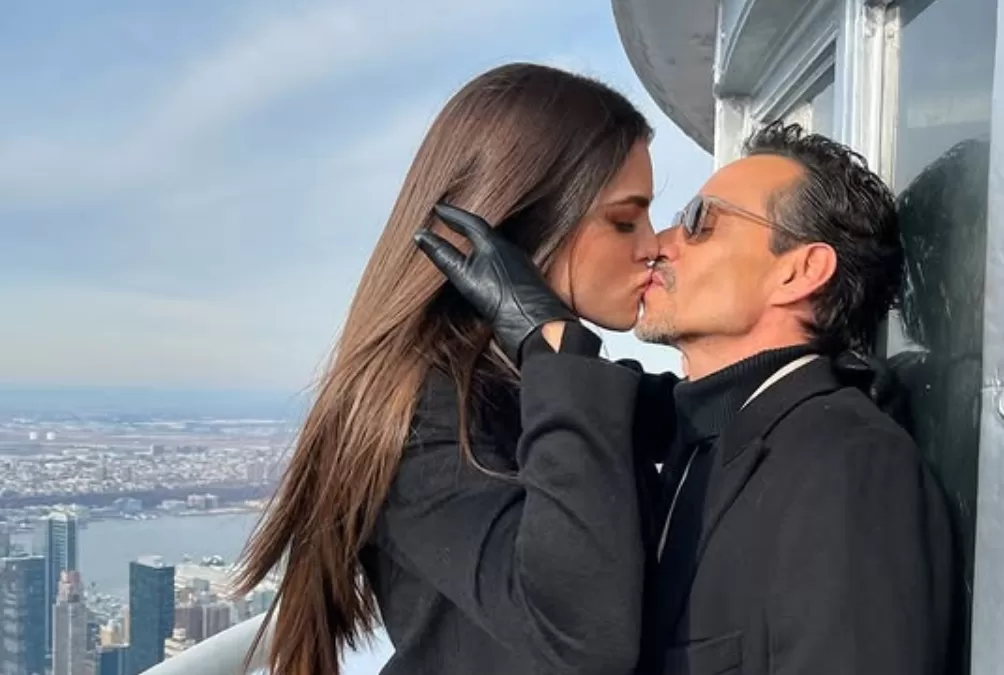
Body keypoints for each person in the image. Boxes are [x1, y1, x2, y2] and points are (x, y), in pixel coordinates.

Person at [234, 62, 662, 675]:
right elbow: (583, 632)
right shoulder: (427, 412)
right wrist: (551, 338)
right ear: (516, 230)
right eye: (624, 221)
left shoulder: (542, 386)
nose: (653, 246)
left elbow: (702, 413)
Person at [631, 121, 956, 675]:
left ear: (800, 271)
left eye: (699, 221)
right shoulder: (702, 447)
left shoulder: (848, 464)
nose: (659, 244)